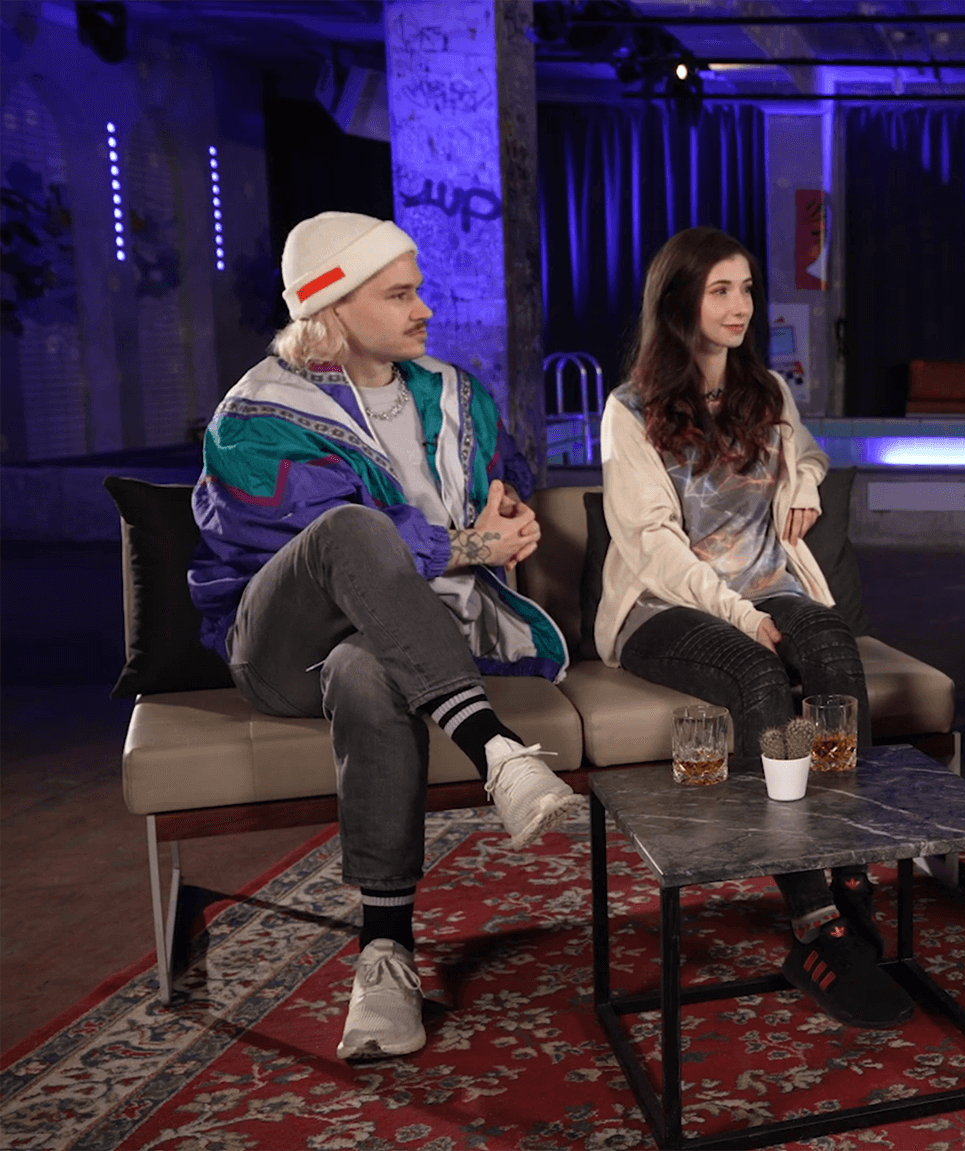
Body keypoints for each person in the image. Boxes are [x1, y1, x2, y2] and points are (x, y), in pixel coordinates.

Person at [189, 212, 581, 1060]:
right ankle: (498, 751)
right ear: (332, 307)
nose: (424, 309)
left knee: (366, 667)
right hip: (280, 648)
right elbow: (343, 544)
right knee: (350, 531)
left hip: (400, 647)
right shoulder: (256, 414)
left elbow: (502, 480)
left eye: (419, 290)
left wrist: (508, 510)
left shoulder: (453, 393)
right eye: (399, 294)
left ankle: (384, 955)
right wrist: (470, 546)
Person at [594, 226, 912, 1030]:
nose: (740, 306)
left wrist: (802, 479)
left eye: (746, 289)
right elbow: (653, 544)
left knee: (832, 645)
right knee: (758, 673)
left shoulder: (764, 389)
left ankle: (849, 869)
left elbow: (805, 452)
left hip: (767, 583)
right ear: (678, 303)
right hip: (666, 606)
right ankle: (814, 920)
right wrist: (739, 614)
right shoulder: (628, 409)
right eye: (720, 291)